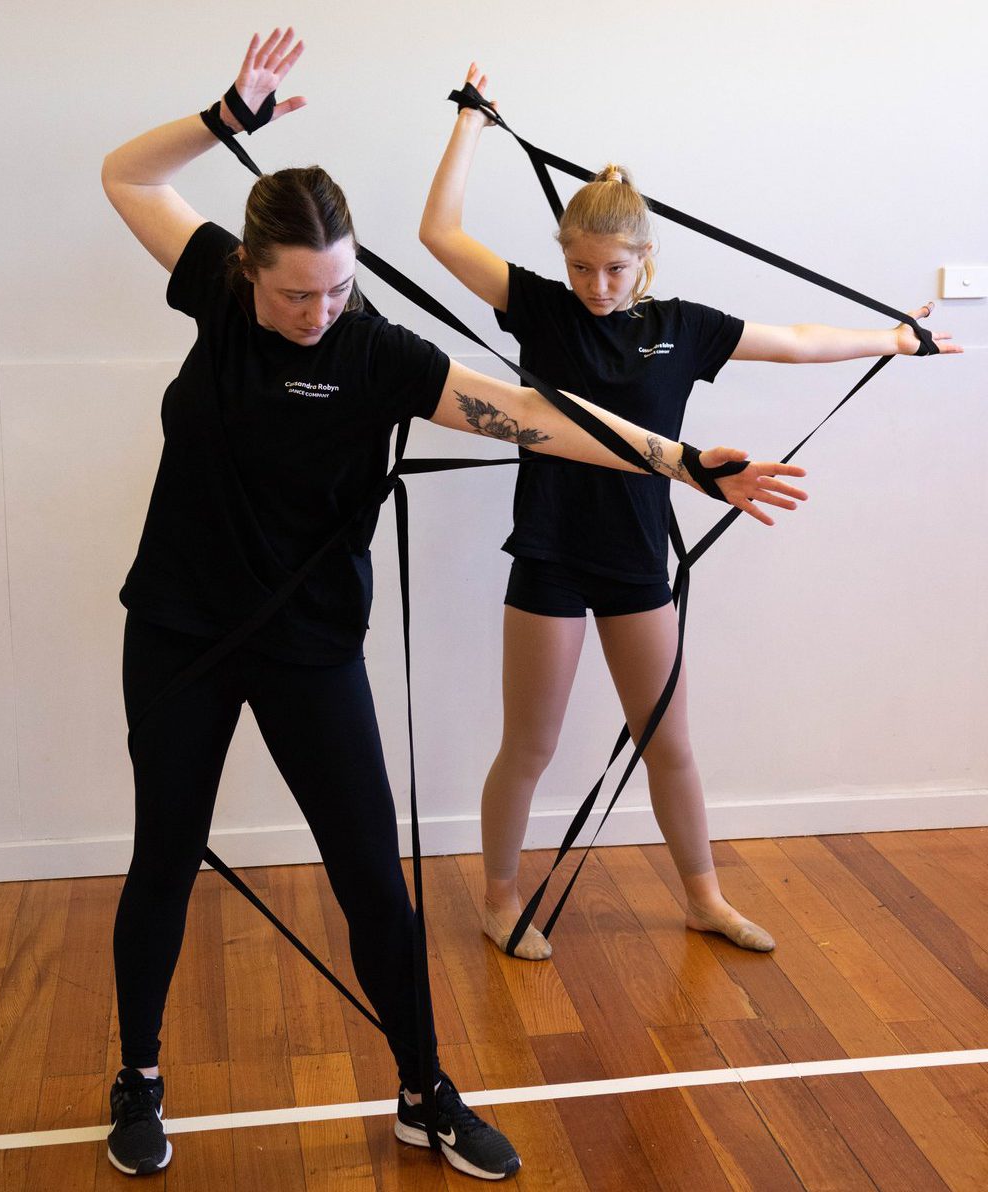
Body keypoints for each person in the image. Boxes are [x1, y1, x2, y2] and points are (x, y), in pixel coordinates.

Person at [100, 29, 807, 1180]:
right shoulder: (218, 295)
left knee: (375, 876)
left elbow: (539, 414)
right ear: (245, 274)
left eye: (336, 287)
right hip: (179, 633)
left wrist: (680, 461)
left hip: (311, 643)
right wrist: (226, 117)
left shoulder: (378, 351)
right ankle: (137, 1074)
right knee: (165, 854)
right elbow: (128, 175)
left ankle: (424, 1090)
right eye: (294, 294)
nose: (317, 310)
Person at [420, 63, 960, 963]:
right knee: (530, 743)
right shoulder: (542, 312)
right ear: (563, 260)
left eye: (614, 268)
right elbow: (438, 233)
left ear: (646, 262)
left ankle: (704, 897)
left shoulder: (684, 325)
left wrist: (893, 338)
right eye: (581, 266)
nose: (596, 283)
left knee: (669, 743)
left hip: (637, 559)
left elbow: (793, 342)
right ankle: (500, 895)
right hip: (550, 554)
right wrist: (472, 126)